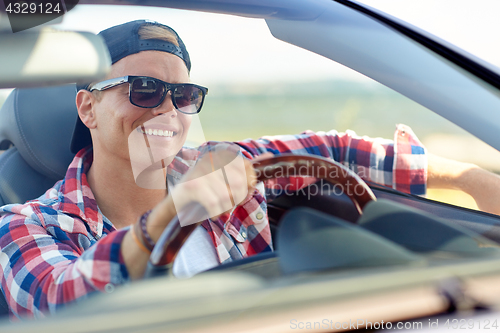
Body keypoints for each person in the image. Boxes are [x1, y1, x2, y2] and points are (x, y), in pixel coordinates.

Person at [1, 19, 500, 320]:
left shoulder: (219, 164)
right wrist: (173, 214)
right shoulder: (23, 225)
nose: (167, 110)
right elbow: (62, 302)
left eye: (184, 95)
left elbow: (336, 150)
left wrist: (470, 180)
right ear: (88, 109)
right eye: (143, 90)